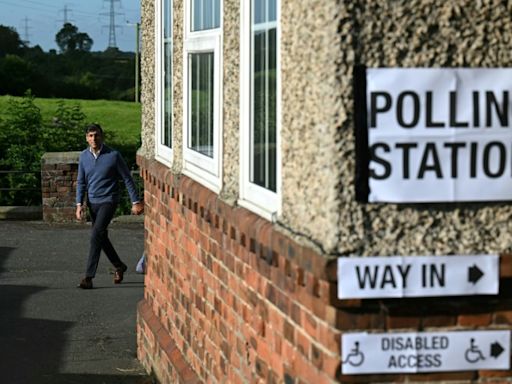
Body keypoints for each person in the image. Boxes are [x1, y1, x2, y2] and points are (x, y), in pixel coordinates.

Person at [76, 123, 144, 289]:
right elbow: (81, 182)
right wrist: (79, 204)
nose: (94, 139)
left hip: (109, 200)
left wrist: (135, 201)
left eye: (97, 135)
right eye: (90, 136)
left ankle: (88, 277)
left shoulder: (113, 155)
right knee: (101, 237)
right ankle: (119, 265)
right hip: (93, 202)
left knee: (96, 235)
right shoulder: (84, 157)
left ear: (102, 136)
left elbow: (127, 178)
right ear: (86, 138)